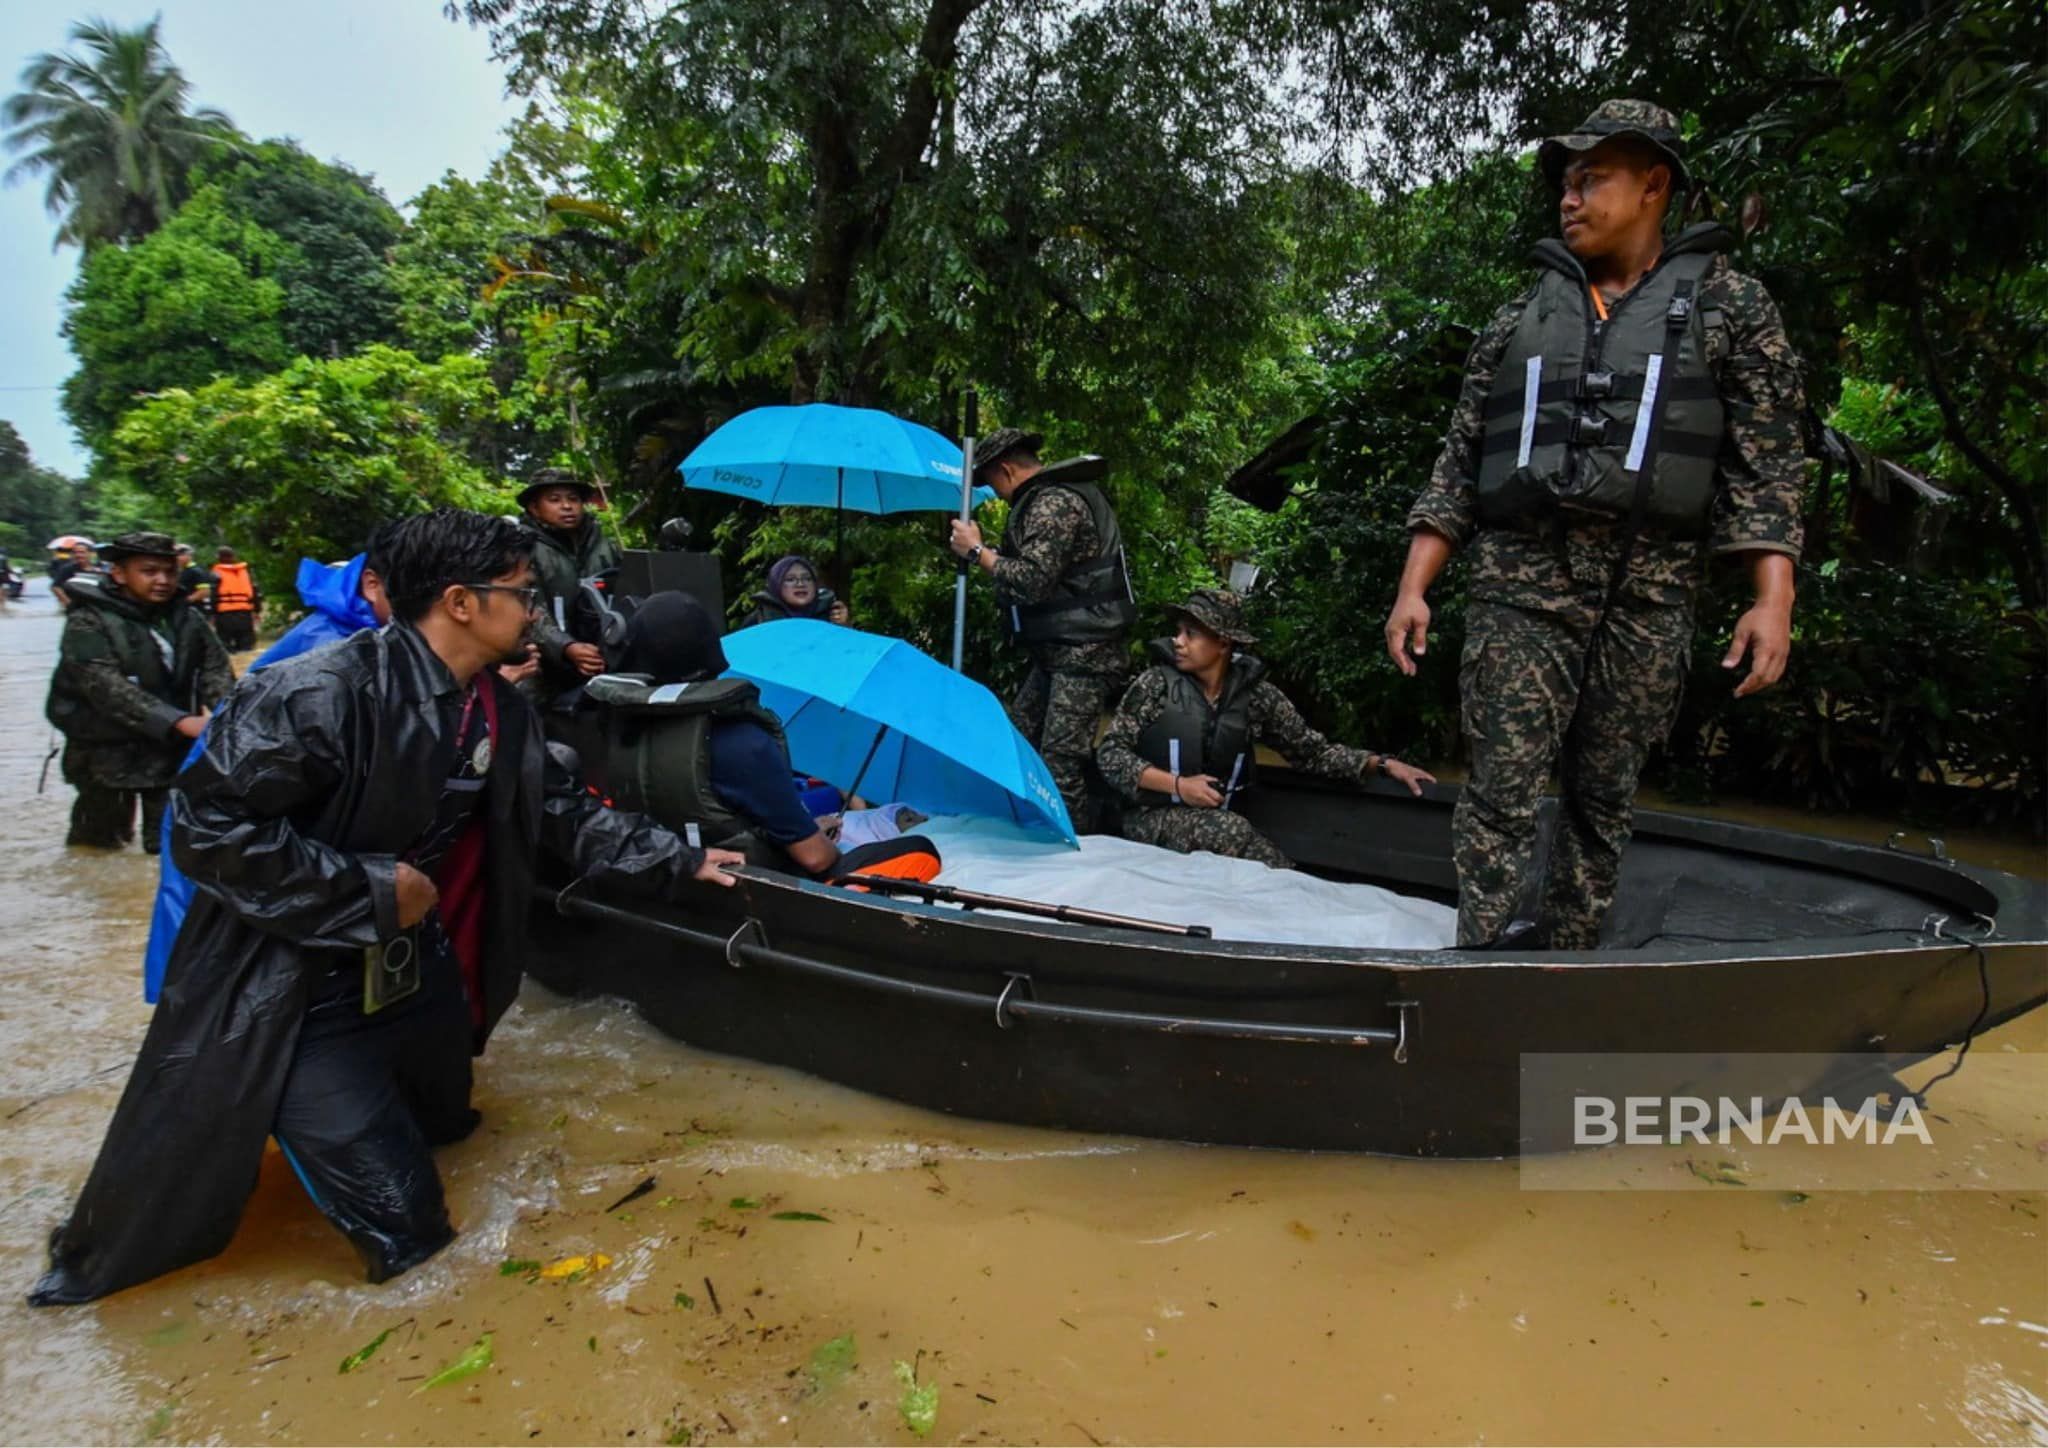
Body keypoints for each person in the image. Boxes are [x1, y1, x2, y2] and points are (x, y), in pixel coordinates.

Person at [30, 509, 744, 1306]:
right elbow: (206, 827)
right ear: (462, 602)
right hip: (295, 989)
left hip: (409, 966)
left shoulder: (496, 707)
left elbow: (562, 812)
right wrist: (367, 887)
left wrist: (681, 861)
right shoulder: (314, 692)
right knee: (414, 1241)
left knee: (452, 1127)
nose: (536, 611)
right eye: (522, 593)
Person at [1384, 100, 1805, 950]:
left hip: (1649, 590)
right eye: (1565, 185)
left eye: (1591, 180)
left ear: (1655, 184)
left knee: (1602, 797)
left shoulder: (1733, 308)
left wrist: (1774, 597)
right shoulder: (1518, 318)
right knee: (1500, 788)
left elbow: (1767, 464)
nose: (1569, 200)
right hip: (1520, 578)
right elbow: (1463, 459)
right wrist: (1414, 587)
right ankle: (1479, 966)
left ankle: (1569, 966)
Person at [141, 542, 395, 1002]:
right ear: (372, 585)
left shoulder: (360, 628)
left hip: (235, 779)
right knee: (215, 933)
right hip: (227, 795)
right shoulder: (332, 647)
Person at [1099, 589, 1434, 868]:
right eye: (1178, 631)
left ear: (1224, 643)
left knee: (1255, 852)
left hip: (1224, 823)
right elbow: (1110, 754)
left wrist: (1383, 764)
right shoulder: (1154, 685)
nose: (1178, 641)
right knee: (1230, 833)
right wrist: (1179, 785)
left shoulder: (1258, 697)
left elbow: (1312, 753)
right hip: (1150, 817)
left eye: (1191, 634)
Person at [572, 590, 849, 876]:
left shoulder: (615, 729)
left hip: (662, 881)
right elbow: (815, 858)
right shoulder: (742, 743)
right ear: (710, 649)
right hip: (756, 895)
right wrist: (817, 834)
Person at [946, 427, 1136, 832]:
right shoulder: (1049, 498)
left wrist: (978, 553)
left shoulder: (1054, 502)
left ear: (1007, 469)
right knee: (1020, 739)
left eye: (993, 483)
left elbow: (1032, 580)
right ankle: (1029, 830)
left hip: (1085, 654)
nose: (996, 495)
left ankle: (1075, 857)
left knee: (1060, 763)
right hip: (1058, 653)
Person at [44, 532, 233, 852]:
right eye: (149, 571)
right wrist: (179, 722)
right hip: (104, 752)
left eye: (170, 571)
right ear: (119, 573)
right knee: (99, 849)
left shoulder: (186, 617)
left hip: (169, 751)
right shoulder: (86, 620)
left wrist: (228, 715)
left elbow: (216, 670)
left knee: (169, 845)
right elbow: (105, 687)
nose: (162, 580)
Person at [519, 466, 623, 689]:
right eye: (554, 500)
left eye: (573, 499)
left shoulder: (605, 545)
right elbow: (528, 609)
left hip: (605, 651)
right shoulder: (523, 550)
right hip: (546, 661)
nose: (567, 506)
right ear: (534, 508)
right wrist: (566, 647)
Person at [737, 555, 851, 628]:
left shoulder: (832, 614)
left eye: (807, 578)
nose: (800, 584)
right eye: (790, 579)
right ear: (776, 585)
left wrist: (845, 627)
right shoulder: (759, 619)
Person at [209, 546, 261, 651]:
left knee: (225, 646)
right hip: (244, 613)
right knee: (246, 646)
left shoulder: (216, 573)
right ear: (233, 557)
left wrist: (212, 613)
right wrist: (257, 610)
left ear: (219, 557)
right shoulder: (245, 572)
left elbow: (213, 595)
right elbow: (254, 591)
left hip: (224, 614)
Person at [48, 540, 95, 605]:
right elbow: (55, 587)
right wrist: (68, 603)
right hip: (76, 608)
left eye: (82, 552)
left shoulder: (97, 569)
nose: (78, 555)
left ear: (90, 553)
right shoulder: (68, 569)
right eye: (75, 552)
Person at [174, 543, 216, 609]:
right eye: (175, 555)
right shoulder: (181, 571)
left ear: (189, 556)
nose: (177, 558)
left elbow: (205, 591)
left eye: (180, 555)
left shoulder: (196, 571)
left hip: (195, 611)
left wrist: (186, 601)